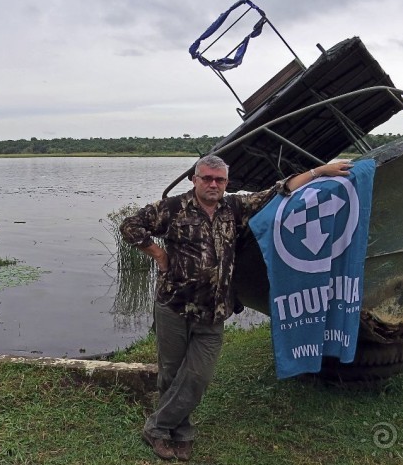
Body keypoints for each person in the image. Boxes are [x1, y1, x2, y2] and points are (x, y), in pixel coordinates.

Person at [120, 154, 352, 461]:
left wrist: (320, 171)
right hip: (174, 307)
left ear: (226, 183)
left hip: (214, 312)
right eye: (207, 178)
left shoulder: (233, 208)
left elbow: (277, 191)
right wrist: (159, 255)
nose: (213, 184)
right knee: (171, 375)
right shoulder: (173, 209)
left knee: (198, 377)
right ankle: (179, 432)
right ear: (195, 179)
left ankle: (156, 427)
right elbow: (130, 226)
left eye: (220, 180)